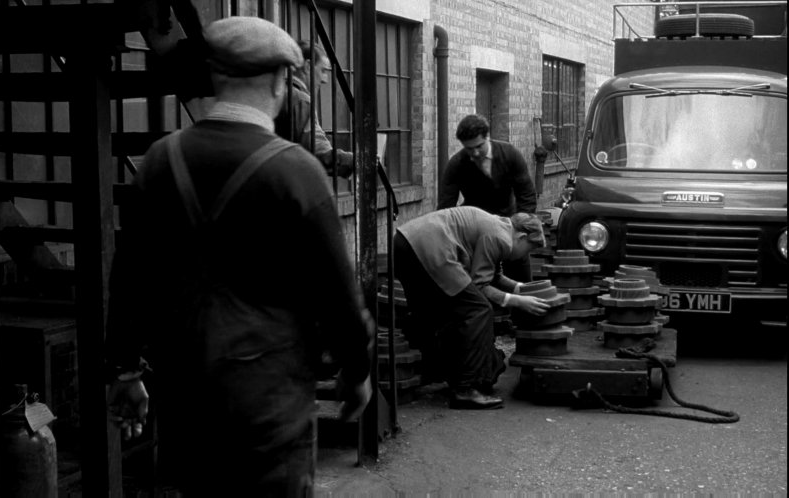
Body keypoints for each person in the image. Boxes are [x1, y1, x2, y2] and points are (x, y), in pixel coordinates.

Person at [105, 16, 373, 497]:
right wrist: (356, 373)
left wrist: (125, 370)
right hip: (270, 412)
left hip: (187, 404)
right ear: (278, 82)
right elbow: (339, 296)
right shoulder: (298, 172)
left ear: (214, 76)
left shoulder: (159, 161)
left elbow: (128, 279)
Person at [394, 206, 549, 410]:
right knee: (479, 310)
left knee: (436, 312)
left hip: (404, 243)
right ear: (521, 236)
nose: (524, 256)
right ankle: (466, 389)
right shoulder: (500, 237)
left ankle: (434, 372)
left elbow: (492, 274)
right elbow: (481, 286)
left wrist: (521, 288)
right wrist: (517, 301)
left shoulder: (498, 226)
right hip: (431, 249)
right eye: (529, 249)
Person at [438, 114, 539, 281]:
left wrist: (520, 228)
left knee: (520, 278)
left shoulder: (510, 154)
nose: (475, 152)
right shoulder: (456, 165)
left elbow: (527, 195)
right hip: (476, 228)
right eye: (469, 149)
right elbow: (445, 207)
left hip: (510, 222)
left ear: (487, 137)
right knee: (483, 281)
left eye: (479, 146)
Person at [274, 40, 355, 179]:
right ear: (307, 66)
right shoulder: (299, 99)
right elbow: (317, 150)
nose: (325, 79)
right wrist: (355, 160)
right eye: (323, 70)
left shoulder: (280, 93)